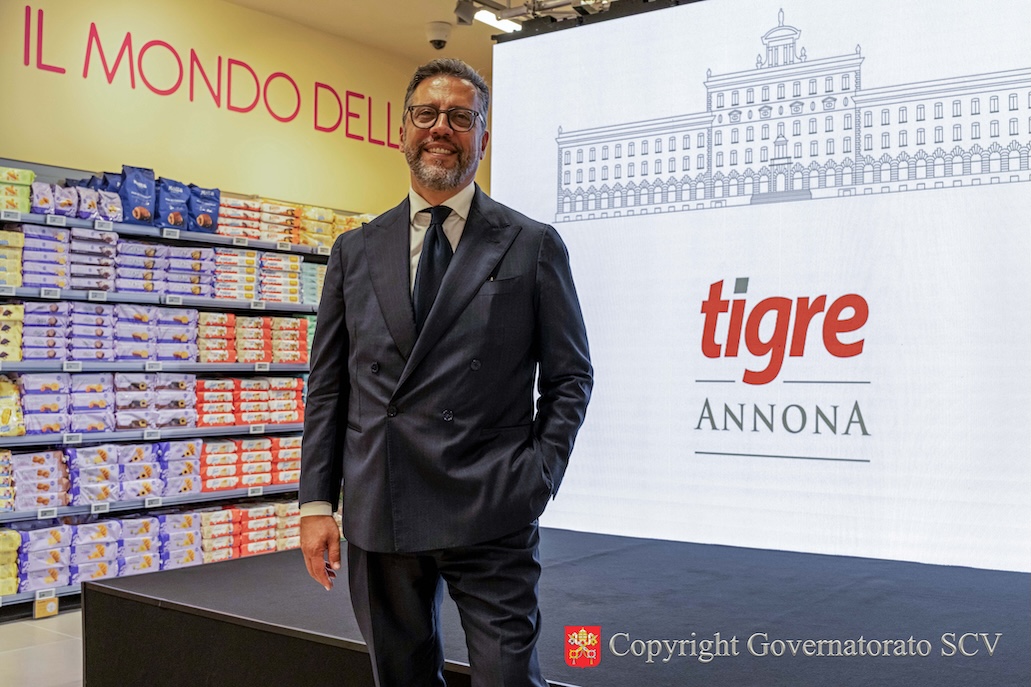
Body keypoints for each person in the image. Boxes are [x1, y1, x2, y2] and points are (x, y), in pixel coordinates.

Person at [299, 57, 593, 686]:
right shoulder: (355, 250)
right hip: (382, 505)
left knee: (508, 677)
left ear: (483, 137)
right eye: (427, 114)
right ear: (402, 129)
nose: (441, 128)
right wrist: (316, 504)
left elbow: (570, 376)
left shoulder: (531, 243)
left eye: (461, 117)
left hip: (491, 503)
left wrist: (538, 475)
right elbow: (328, 387)